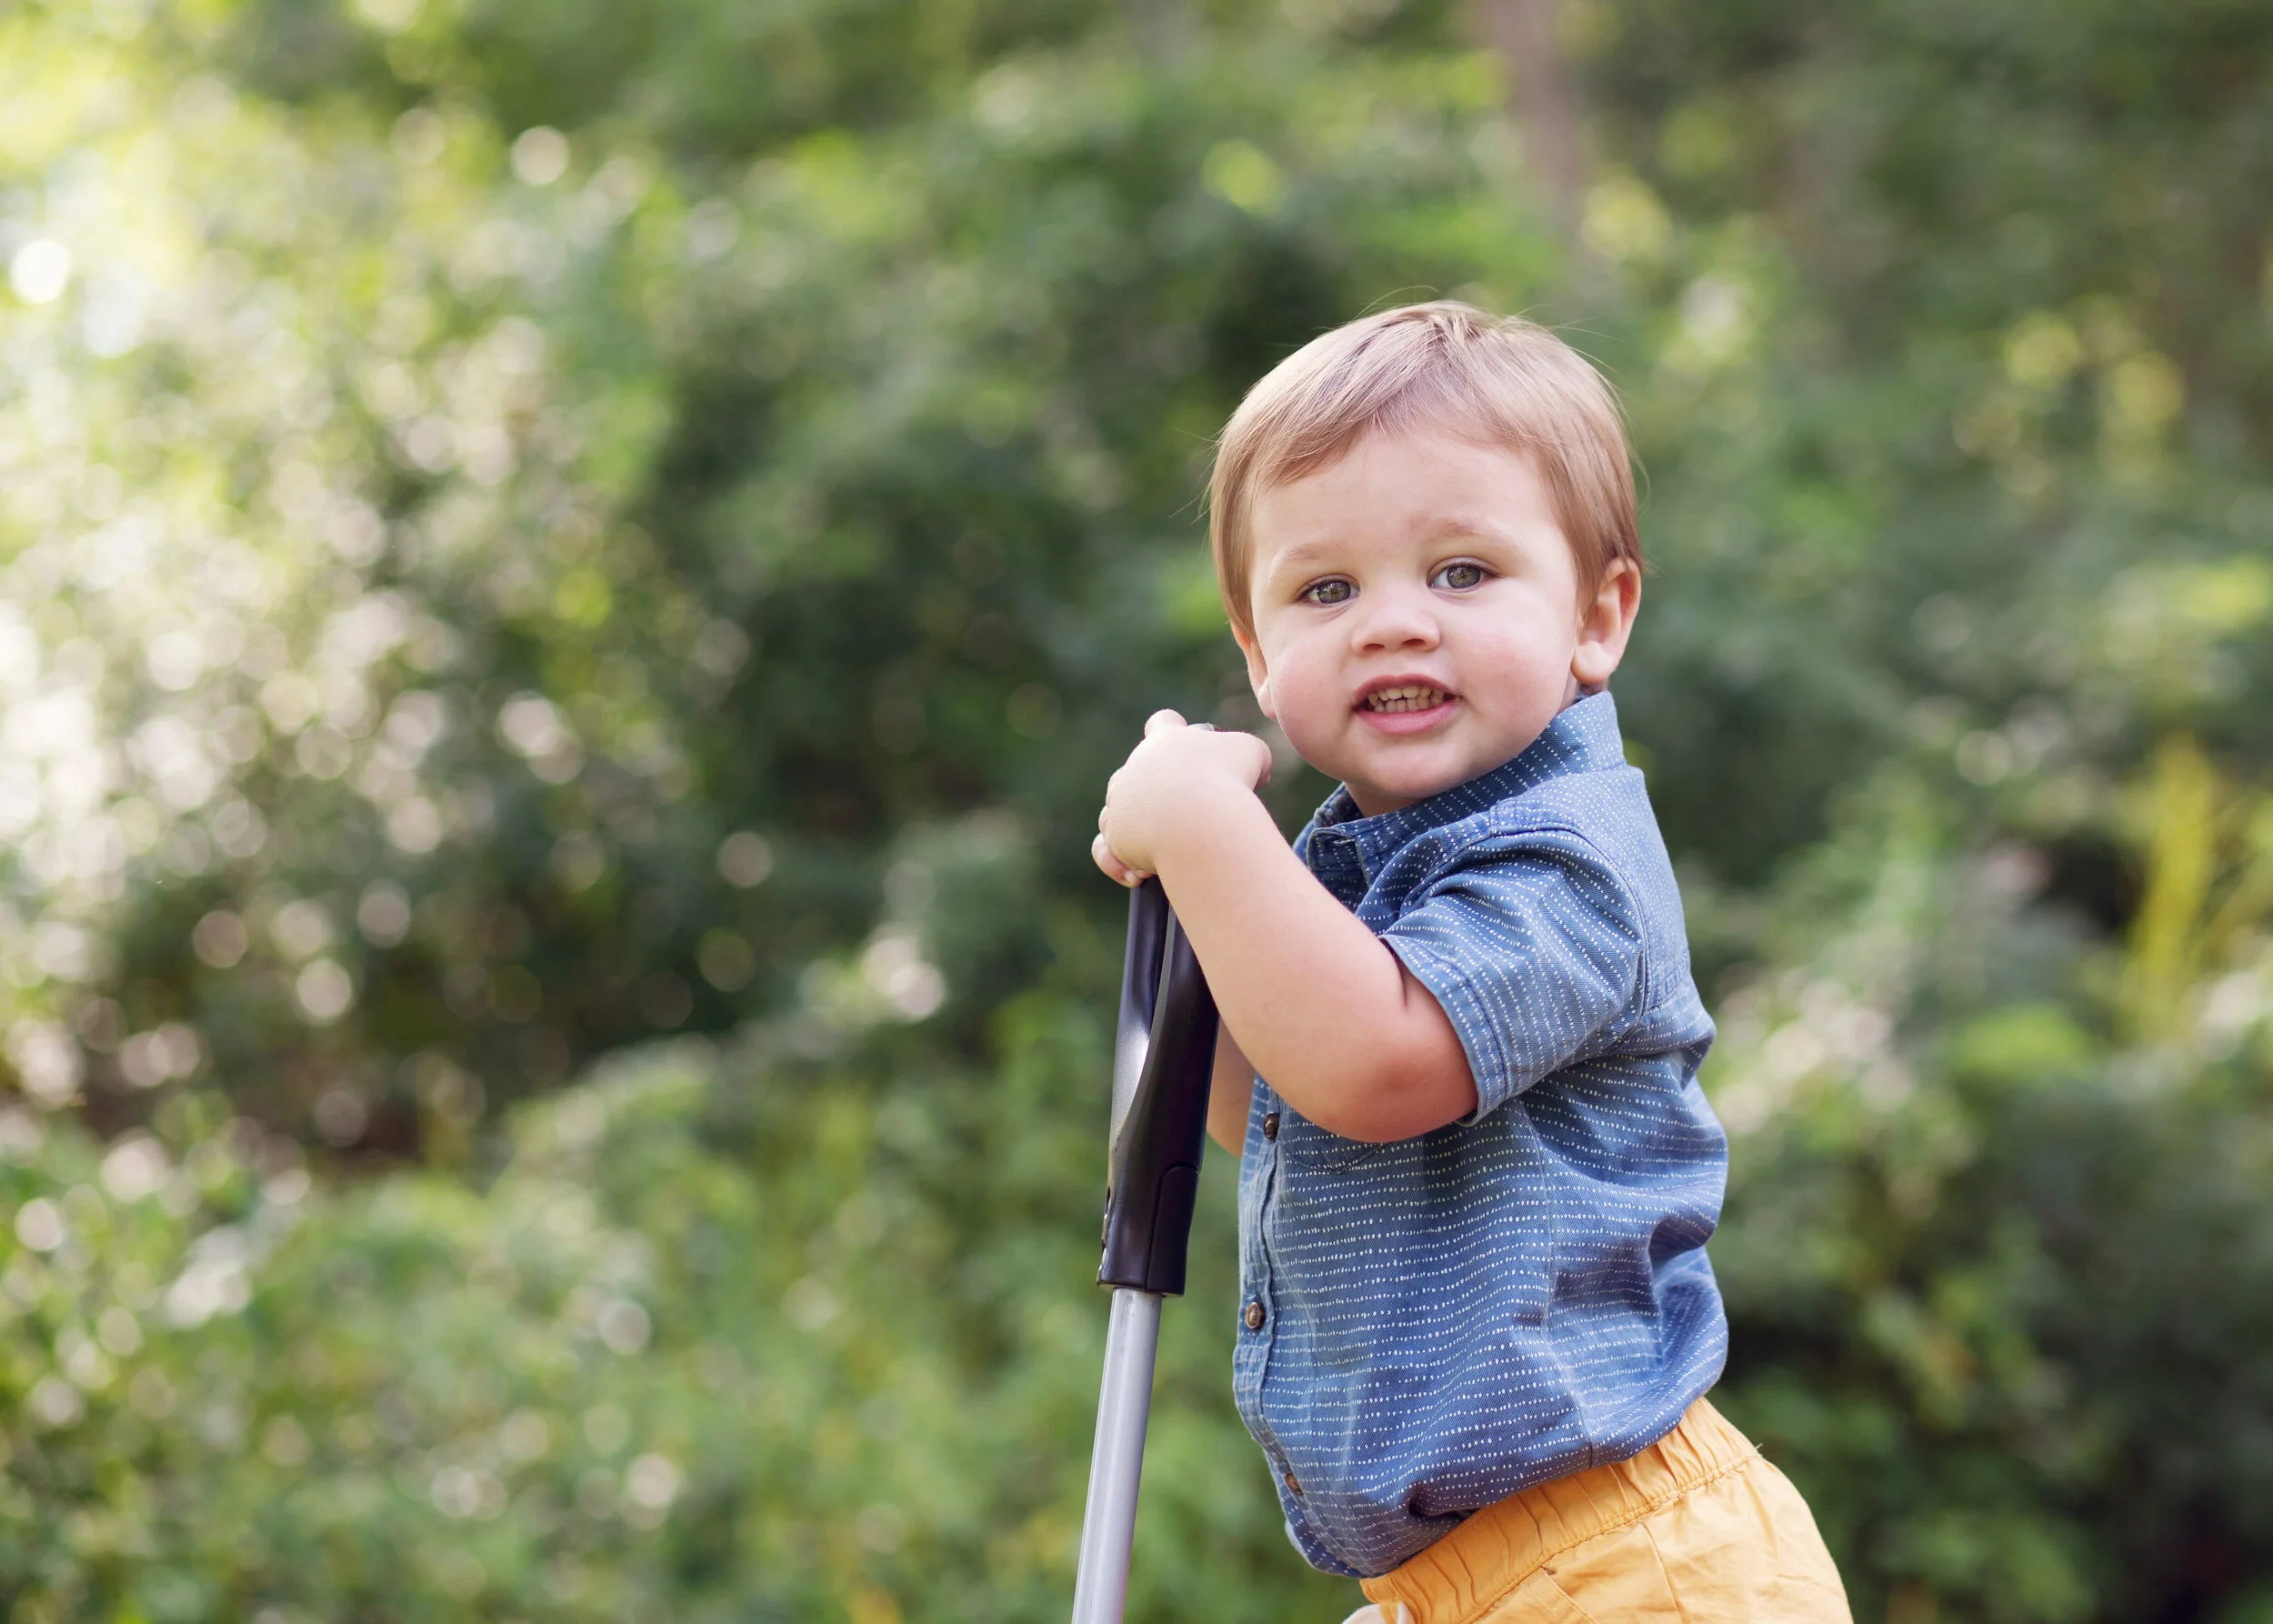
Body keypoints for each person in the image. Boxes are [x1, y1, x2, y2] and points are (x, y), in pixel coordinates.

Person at [1090, 302, 1850, 1623]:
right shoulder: (1356, 869)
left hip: (1628, 1564)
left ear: (1596, 616)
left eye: (1461, 572)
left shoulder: (1570, 858)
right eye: (1328, 590)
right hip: (1455, 1581)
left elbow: (1370, 1065)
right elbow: (1268, 1100)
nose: (1393, 623)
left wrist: (1211, 829)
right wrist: (1198, 900)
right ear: (1260, 652)